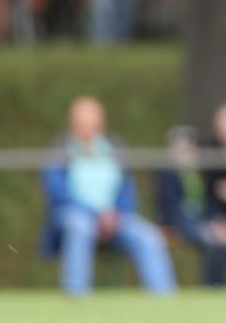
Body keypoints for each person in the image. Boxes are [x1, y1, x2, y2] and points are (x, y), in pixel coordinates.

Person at [40, 96, 176, 295]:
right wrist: (96, 213)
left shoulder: (114, 149)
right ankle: (76, 294)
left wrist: (115, 213)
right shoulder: (61, 151)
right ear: (72, 124)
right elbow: (58, 194)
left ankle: (165, 297)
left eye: (92, 123)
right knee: (80, 226)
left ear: (101, 124)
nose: (87, 128)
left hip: (115, 217)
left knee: (149, 236)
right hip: (74, 216)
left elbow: (128, 191)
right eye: (82, 123)